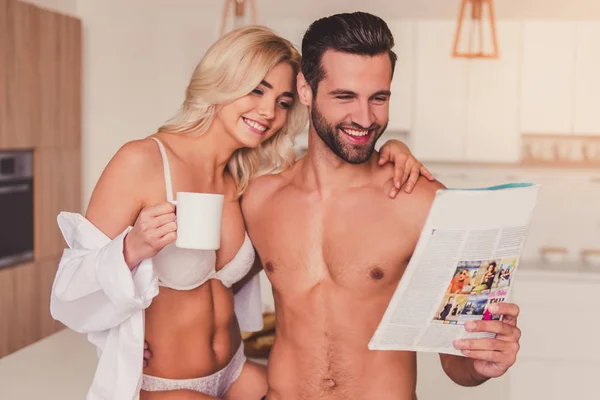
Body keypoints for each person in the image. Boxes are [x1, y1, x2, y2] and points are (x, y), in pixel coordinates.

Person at [50, 25, 430, 400]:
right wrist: (131, 249)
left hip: (235, 372)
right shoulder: (144, 161)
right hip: (168, 383)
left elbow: (324, 183)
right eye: (256, 90)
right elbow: (69, 291)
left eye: (283, 102)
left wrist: (389, 149)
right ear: (222, 82)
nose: (268, 112)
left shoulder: (248, 179)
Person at [239, 12, 522, 400]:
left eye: (379, 98)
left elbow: (458, 362)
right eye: (345, 97)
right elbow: (209, 296)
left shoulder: (425, 202)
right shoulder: (260, 199)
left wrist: (482, 363)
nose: (365, 118)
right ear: (305, 89)